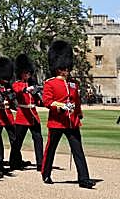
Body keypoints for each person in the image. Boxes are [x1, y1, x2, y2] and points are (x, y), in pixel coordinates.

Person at [41, 40, 95, 189]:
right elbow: (47, 102)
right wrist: (61, 106)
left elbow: (76, 101)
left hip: (72, 122)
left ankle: (84, 178)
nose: (67, 70)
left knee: (78, 150)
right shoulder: (50, 83)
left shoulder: (73, 83)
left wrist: (79, 113)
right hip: (57, 122)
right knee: (51, 148)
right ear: (58, 68)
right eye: (64, 68)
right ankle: (46, 173)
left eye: (68, 67)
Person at [9, 53, 43, 171]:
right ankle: (13, 162)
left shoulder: (32, 85)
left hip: (33, 115)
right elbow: (17, 90)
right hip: (22, 116)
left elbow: (37, 101)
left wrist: (40, 97)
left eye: (29, 73)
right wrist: (26, 89)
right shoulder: (17, 83)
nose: (27, 75)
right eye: (25, 73)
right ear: (20, 72)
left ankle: (40, 163)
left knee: (38, 139)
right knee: (18, 141)